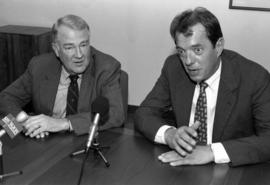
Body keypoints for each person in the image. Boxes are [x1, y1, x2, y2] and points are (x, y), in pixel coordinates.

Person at [134, 7, 270, 167]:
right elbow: (144, 113)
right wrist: (170, 135)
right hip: (181, 165)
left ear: (218, 46)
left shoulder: (254, 77)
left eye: (197, 50)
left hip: (231, 169)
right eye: (181, 52)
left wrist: (212, 151)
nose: (188, 61)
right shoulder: (173, 68)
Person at [0, 14, 125, 138]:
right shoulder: (39, 66)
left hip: (88, 141)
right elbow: (5, 98)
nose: (79, 55)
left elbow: (116, 114)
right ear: (56, 49)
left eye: (83, 45)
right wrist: (25, 123)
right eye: (69, 47)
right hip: (46, 142)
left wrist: (64, 123)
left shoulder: (106, 67)